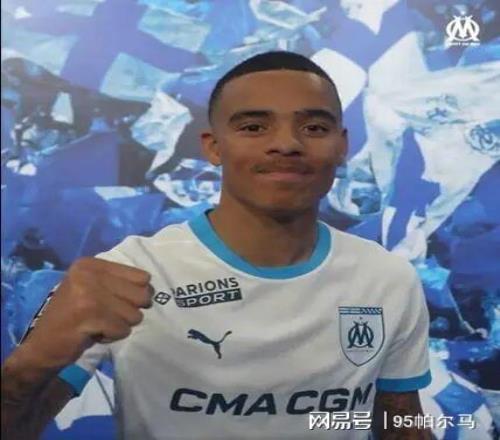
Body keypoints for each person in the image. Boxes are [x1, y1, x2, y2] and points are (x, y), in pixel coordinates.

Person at [1, 51, 432, 440]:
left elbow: (401, 428)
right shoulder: (128, 274)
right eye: (253, 126)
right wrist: (31, 363)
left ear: (342, 146)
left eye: (314, 127)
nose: (286, 144)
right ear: (213, 147)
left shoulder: (387, 279)